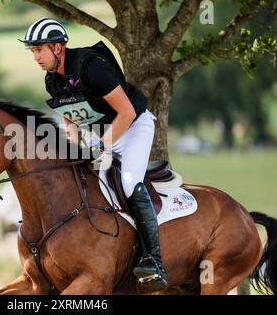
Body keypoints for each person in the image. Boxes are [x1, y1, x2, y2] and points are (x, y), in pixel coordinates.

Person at [20, 18, 168, 290]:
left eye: (39, 50)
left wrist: (100, 147)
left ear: (57, 48)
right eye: (33, 52)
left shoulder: (91, 67)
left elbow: (127, 113)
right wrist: (75, 151)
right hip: (100, 134)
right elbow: (70, 120)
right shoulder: (52, 80)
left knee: (128, 181)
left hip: (133, 128)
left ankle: (153, 261)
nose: (36, 57)